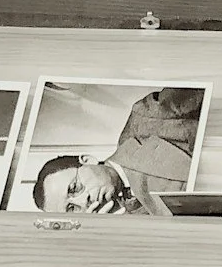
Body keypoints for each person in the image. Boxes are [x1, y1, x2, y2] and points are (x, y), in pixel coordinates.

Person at [30, 87, 205, 213]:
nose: (83, 202)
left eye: (74, 188)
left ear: (88, 160)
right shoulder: (128, 223)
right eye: (71, 208)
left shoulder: (147, 116)